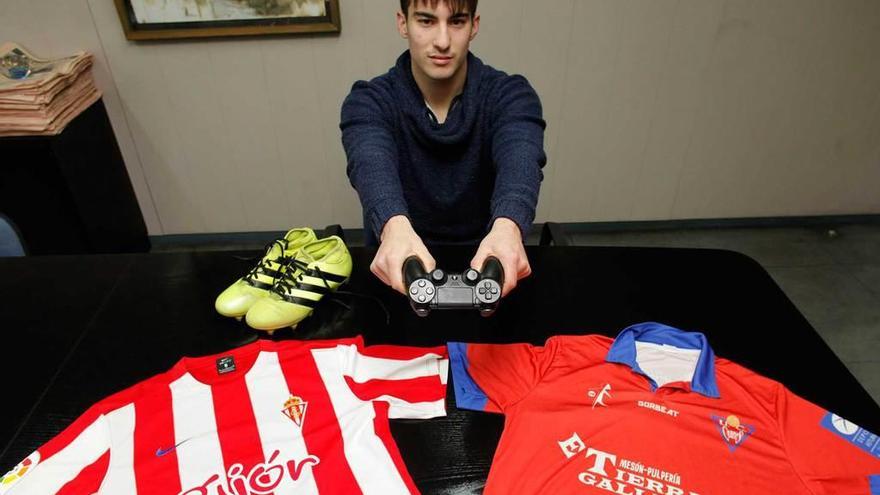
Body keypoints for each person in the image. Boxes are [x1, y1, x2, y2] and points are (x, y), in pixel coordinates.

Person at [340, 0, 546, 298]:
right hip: (399, 270)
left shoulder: (511, 95)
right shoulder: (369, 100)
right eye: (426, 21)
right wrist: (393, 227)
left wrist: (509, 227)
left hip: (489, 266)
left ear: (474, 25)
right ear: (403, 23)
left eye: (457, 22)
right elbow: (370, 161)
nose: (443, 41)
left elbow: (521, 157)